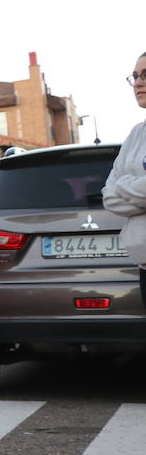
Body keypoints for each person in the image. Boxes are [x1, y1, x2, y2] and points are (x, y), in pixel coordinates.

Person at [101, 55, 146, 309]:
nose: (138, 83)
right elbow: (109, 195)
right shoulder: (136, 134)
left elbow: (119, 188)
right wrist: (136, 186)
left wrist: (125, 185)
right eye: (135, 76)